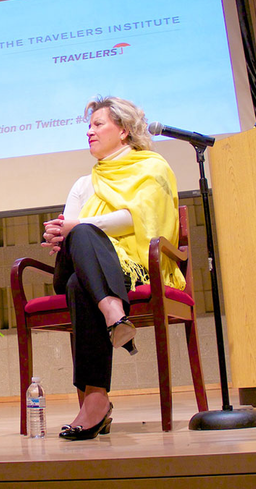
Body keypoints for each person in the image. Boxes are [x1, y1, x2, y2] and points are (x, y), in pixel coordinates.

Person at [41, 96, 185, 441]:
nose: (89, 132)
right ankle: (113, 312)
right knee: (81, 243)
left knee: (81, 284)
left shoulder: (152, 167)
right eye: (88, 126)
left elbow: (139, 220)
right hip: (86, 266)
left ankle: (95, 402)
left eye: (98, 124)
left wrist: (78, 226)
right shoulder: (84, 182)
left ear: (123, 130)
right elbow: (70, 229)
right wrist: (58, 233)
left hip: (133, 265)